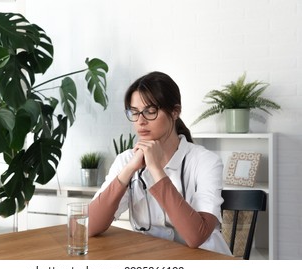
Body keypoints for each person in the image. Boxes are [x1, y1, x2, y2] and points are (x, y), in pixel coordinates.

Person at [88, 71, 232, 255]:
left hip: (205, 261)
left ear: (175, 112)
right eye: (134, 112)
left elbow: (196, 236)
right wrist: (130, 169)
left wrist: (156, 170)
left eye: (150, 111)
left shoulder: (206, 162)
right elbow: (90, 225)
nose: (140, 121)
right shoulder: (127, 160)